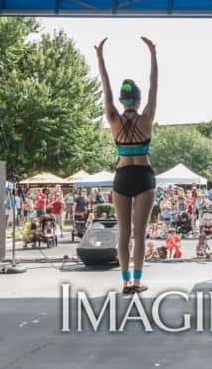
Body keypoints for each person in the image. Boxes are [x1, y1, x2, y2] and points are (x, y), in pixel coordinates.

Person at [95, 36, 158, 294]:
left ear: (122, 100)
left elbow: (105, 87)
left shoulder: (113, 119)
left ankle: (124, 282)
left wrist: (100, 57)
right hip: (143, 176)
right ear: (139, 100)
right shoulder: (147, 117)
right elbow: (156, 85)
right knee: (139, 234)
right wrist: (153, 55)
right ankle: (137, 282)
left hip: (121, 177)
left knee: (124, 233)